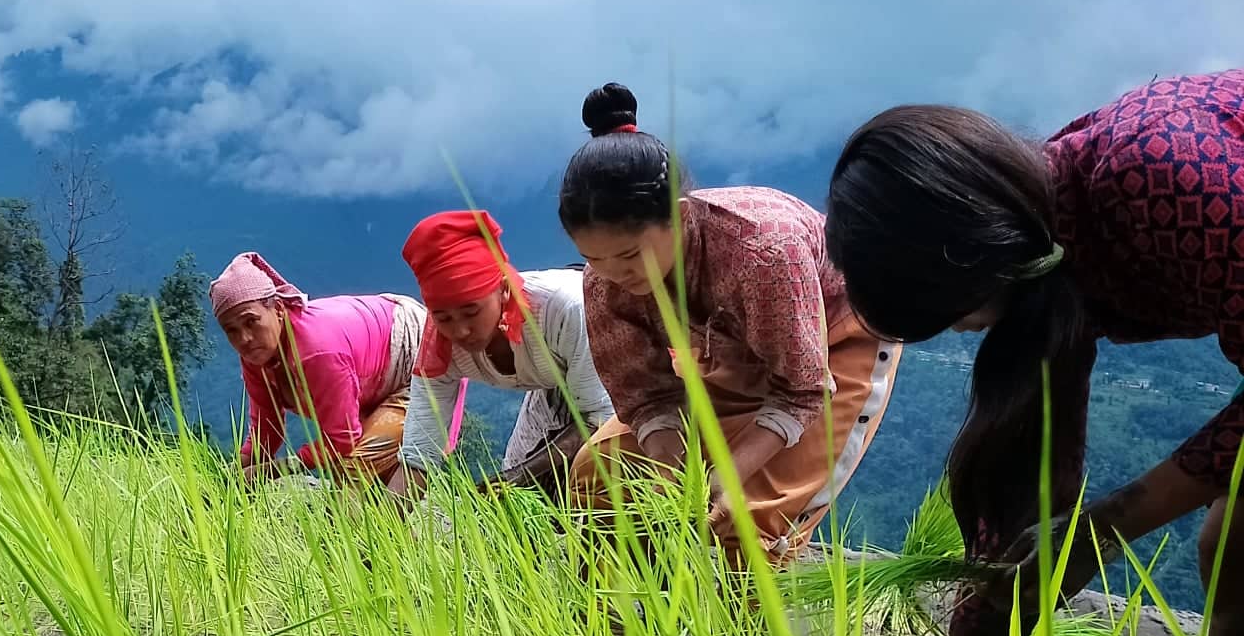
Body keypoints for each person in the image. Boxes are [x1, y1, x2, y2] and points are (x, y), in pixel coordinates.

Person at [823, 70, 1244, 636]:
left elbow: (1078, 536)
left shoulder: (1161, 176)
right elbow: (1029, 507)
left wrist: (1105, 526)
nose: (958, 330)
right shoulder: (1045, 253)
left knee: (1234, 541)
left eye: (947, 311)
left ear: (968, 255)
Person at [560, 83, 901, 557]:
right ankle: (625, 602)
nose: (616, 274)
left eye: (630, 256)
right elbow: (646, 396)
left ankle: (742, 603)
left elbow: (802, 389)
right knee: (599, 472)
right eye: (593, 258)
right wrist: (671, 475)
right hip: (731, 352)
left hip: (832, 344)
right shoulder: (604, 280)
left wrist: (724, 475)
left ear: (680, 218)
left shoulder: (763, 252)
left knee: (749, 519)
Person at [391, 209, 614, 499]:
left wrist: (519, 475)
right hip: (551, 379)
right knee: (515, 498)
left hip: (613, 355)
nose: (460, 331)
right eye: (443, 318)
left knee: (589, 476)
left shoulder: (566, 310)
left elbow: (600, 418)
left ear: (504, 290)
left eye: (471, 312)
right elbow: (419, 457)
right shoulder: (438, 346)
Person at [211, 252, 427, 484]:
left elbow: (342, 438)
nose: (244, 338)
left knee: (353, 467)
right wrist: (229, 476)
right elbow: (267, 427)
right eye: (231, 330)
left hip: (420, 359)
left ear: (278, 309)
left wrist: (277, 469)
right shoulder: (257, 355)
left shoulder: (318, 352)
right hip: (374, 373)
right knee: (356, 470)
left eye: (251, 321)